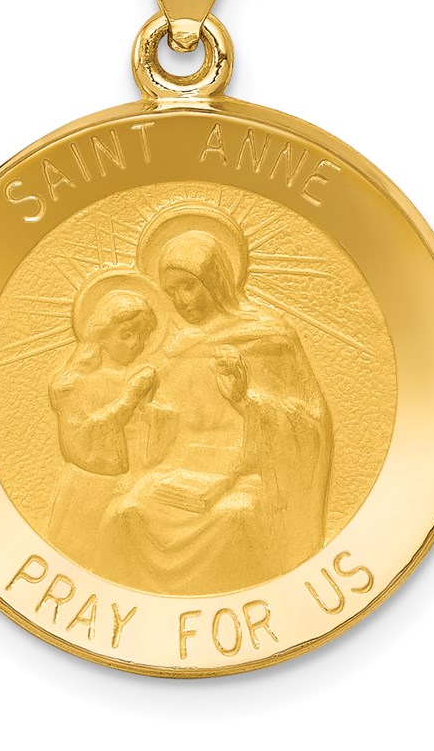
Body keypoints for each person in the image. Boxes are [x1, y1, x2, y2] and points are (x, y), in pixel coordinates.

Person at [100, 228, 333, 593]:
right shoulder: (173, 349)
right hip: (184, 471)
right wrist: (149, 413)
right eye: (171, 292)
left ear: (215, 281)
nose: (181, 300)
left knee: (233, 517)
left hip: (248, 474)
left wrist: (245, 399)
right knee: (125, 513)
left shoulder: (268, 337)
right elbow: (173, 428)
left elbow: (309, 425)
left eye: (189, 287)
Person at [47, 289, 170, 569]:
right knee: (80, 563)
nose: (135, 344)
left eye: (142, 336)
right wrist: (129, 400)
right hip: (88, 491)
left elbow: (152, 440)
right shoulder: (72, 385)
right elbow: (83, 442)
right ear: (101, 335)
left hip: (129, 489)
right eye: (126, 335)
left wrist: (154, 413)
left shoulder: (140, 378)